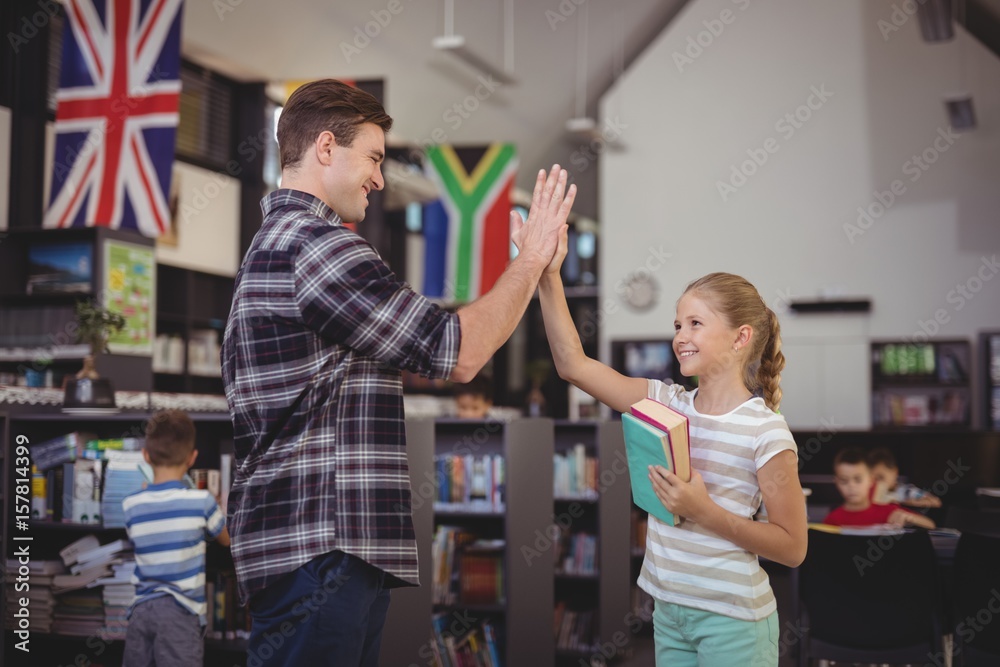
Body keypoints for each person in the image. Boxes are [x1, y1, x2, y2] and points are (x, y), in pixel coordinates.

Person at [220, 78, 576, 667]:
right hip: (322, 545)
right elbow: (457, 352)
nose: (381, 179)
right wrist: (531, 259)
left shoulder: (272, 244)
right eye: (375, 158)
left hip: (302, 545)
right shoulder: (320, 246)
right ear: (327, 148)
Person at [537, 264, 807, 666]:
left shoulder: (765, 431)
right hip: (668, 609)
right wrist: (547, 274)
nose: (680, 337)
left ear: (741, 337)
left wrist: (703, 511)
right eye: (678, 325)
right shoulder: (664, 403)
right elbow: (572, 365)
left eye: (695, 323)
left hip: (733, 621)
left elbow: (793, 548)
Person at [122, 409, 230, 667]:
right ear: (192, 458)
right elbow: (227, 540)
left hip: (141, 612)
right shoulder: (201, 501)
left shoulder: (131, 504)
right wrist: (217, 510)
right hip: (181, 612)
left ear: (146, 456)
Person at [824, 447, 936, 528]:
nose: (851, 486)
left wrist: (911, 518)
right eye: (844, 481)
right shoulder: (832, 519)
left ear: (871, 481)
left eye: (858, 480)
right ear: (836, 482)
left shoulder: (889, 511)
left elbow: (931, 524)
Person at [868, 446, 942, 508]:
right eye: (872, 479)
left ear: (895, 472)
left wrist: (907, 503)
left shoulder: (906, 491)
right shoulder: (867, 493)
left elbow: (935, 502)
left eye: (880, 478)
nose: (876, 483)